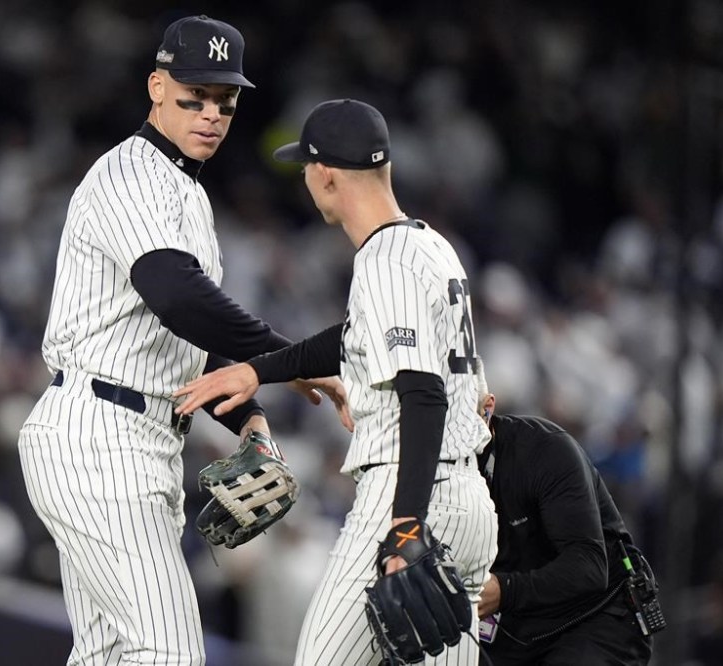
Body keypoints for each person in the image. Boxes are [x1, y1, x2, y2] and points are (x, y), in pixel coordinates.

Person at [17, 15, 343, 665]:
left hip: (142, 439)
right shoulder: (132, 174)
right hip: (98, 435)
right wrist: (284, 359)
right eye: (193, 97)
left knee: (109, 655)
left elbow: (188, 340)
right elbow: (176, 294)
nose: (210, 114)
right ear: (156, 88)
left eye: (224, 101)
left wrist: (251, 420)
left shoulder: (188, 198)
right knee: (167, 653)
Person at [174, 99, 497, 664]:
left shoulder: (384, 258)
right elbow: (352, 336)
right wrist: (260, 368)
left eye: (305, 166)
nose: (304, 178)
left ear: (324, 174)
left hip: (407, 497)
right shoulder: (431, 245)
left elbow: (423, 393)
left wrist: (405, 527)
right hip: (469, 506)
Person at [475, 392, 657, 665]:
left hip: (593, 615)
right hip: (512, 631)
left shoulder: (544, 450)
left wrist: (506, 590)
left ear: (487, 409)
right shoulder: (423, 472)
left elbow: (589, 565)